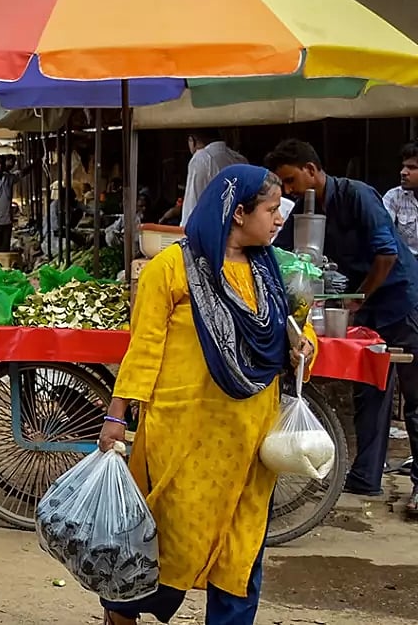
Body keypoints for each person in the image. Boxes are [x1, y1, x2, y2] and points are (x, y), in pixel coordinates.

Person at [99, 165, 316, 625]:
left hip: (251, 444)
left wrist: (303, 349)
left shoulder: (273, 272)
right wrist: (116, 415)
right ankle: (122, 612)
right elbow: (144, 347)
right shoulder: (171, 268)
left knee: (241, 550)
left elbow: (296, 333)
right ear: (238, 213)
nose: (279, 220)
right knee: (165, 543)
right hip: (184, 440)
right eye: (272, 210)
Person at [266, 139, 418, 510]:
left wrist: (358, 298)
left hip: (402, 301)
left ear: (311, 170)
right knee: (370, 389)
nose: (287, 191)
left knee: (415, 399)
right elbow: (279, 252)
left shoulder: (359, 196)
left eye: (289, 181)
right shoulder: (305, 208)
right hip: (364, 308)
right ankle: (366, 477)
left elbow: (386, 253)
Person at [181, 129, 247, 226]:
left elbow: (192, 204)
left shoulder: (201, 158)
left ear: (192, 141)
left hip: (211, 228)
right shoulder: (240, 159)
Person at [383, 142, 418, 258]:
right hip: (405, 264)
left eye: (412, 167)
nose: (403, 172)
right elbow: (382, 234)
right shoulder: (393, 197)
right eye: (403, 166)